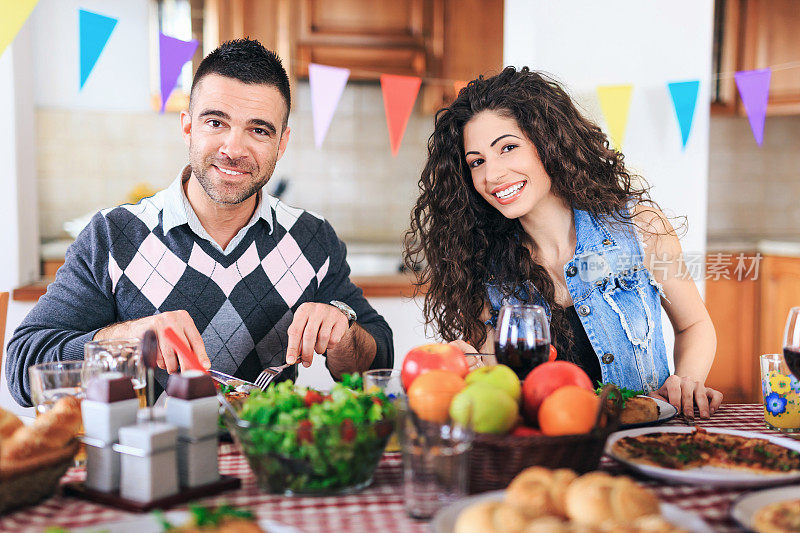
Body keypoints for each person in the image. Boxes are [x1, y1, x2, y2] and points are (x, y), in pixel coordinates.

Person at [6, 39, 392, 406]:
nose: (234, 149)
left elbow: (378, 362)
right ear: (188, 126)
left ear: (282, 142)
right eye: (215, 122)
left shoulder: (313, 238)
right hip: (144, 465)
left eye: (259, 130)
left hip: (268, 461)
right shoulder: (112, 236)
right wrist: (129, 339)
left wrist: (343, 329)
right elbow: (24, 368)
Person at [404, 66, 721, 419]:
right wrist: (471, 367)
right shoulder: (481, 263)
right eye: (477, 162)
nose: (491, 175)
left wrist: (686, 382)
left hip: (644, 437)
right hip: (548, 448)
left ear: (549, 142)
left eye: (508, 148)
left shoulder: (641, 226)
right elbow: (497, 379)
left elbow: (694, 325)